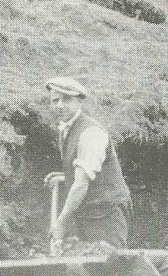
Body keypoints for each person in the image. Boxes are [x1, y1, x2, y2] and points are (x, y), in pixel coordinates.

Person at [44, 77, 132, 250]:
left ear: (79, 102)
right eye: (55, 100)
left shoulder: (90, 133)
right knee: (88, 265)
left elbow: (80, 185)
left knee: (109, 267)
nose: (59, 105)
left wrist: (61, 223)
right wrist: (66, 175)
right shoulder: (66, 128)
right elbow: (84, 171)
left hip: (107, 212)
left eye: (66, 99)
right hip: (88, 212)